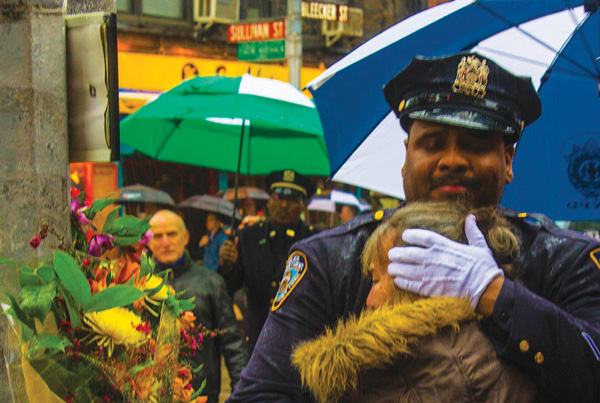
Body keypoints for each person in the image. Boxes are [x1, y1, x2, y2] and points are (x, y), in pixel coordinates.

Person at [227, 52, 600, 402]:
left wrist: (498, 297)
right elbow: (260, 394)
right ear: (405, 157)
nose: (452, 160)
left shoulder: (564, 259)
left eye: (475, 144)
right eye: (432, 143)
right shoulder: (329, 260)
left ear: (507, 160)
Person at [291, 201, 544, 402]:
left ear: (424, 280)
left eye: (377, 280)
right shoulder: (506, 351)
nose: (368, 300)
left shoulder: (390, 376)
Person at [148, 210, 248, 403]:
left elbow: (233, 344)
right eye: (158, 236)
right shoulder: (138, 283)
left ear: (185, 237)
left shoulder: (211, 282)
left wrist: (241, 393)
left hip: (201, 394)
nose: (165, 242)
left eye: (172, 234)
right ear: (149, 241)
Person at [218, 170, 321, 354]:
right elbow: (228, 289)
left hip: (302, 342)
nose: (283, 205)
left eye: (292, 199)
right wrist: (226, 266)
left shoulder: (316, 239)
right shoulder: (248, 237)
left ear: (302, 205)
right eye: (277, 196)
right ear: (268, 201)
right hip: (258, 341)